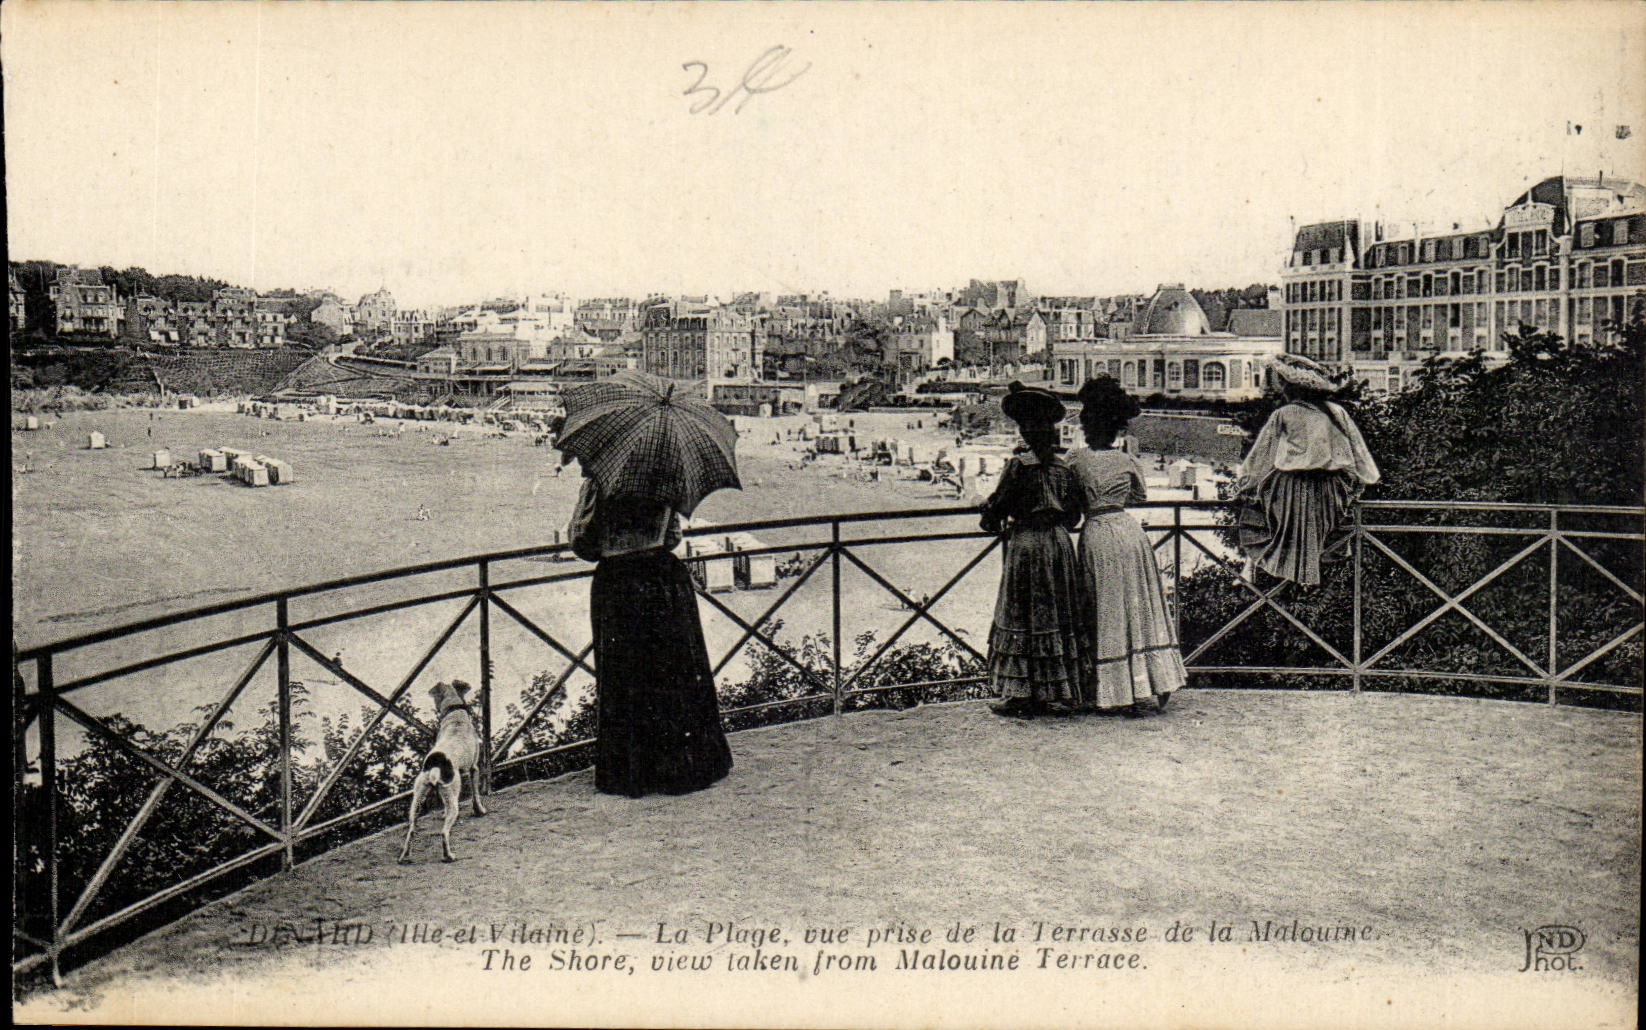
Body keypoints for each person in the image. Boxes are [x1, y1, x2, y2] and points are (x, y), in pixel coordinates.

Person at [568, 473, 733, 796]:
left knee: (624, 675)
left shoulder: (599, 481)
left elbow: (582, 544)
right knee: (673, 670)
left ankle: (632, 772)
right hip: (662, 578)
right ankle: (680, 766)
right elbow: (673, 538)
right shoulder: (664, 477)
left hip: (618, 583)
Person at [1066, 377, 1186, 715]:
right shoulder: (1128, 460)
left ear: (1088, 426)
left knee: (1104, 606)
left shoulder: (1075, 460)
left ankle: (1110, 688)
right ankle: (1156, 680)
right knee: (1141, 604)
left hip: (1098, 534)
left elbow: (1071, 506)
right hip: (1129, 534)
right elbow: (1139, 496)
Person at [978, 383, 1088, 717]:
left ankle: (1021, 693)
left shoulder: (1018, 467)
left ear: (1025, 431)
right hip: (1058, 545)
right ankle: (1057, 690)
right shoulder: (1064, 468)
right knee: (1056, 613)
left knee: (1021, 612)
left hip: (1026, 544)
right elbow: (1074, 516)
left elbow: (995, 511)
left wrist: (989, 511)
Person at [1234, 354, 1380, 591]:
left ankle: (1260, 570)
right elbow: (1358, 451)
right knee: (1325, 535)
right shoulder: (1336, 411)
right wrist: (1359, 481)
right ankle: (1313, 583)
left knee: (1258, 516)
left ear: (1291, 387)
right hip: (1328, 490)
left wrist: (1246, 484)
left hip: (1289, 487)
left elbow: (1262, 456)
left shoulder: (1284, 413)